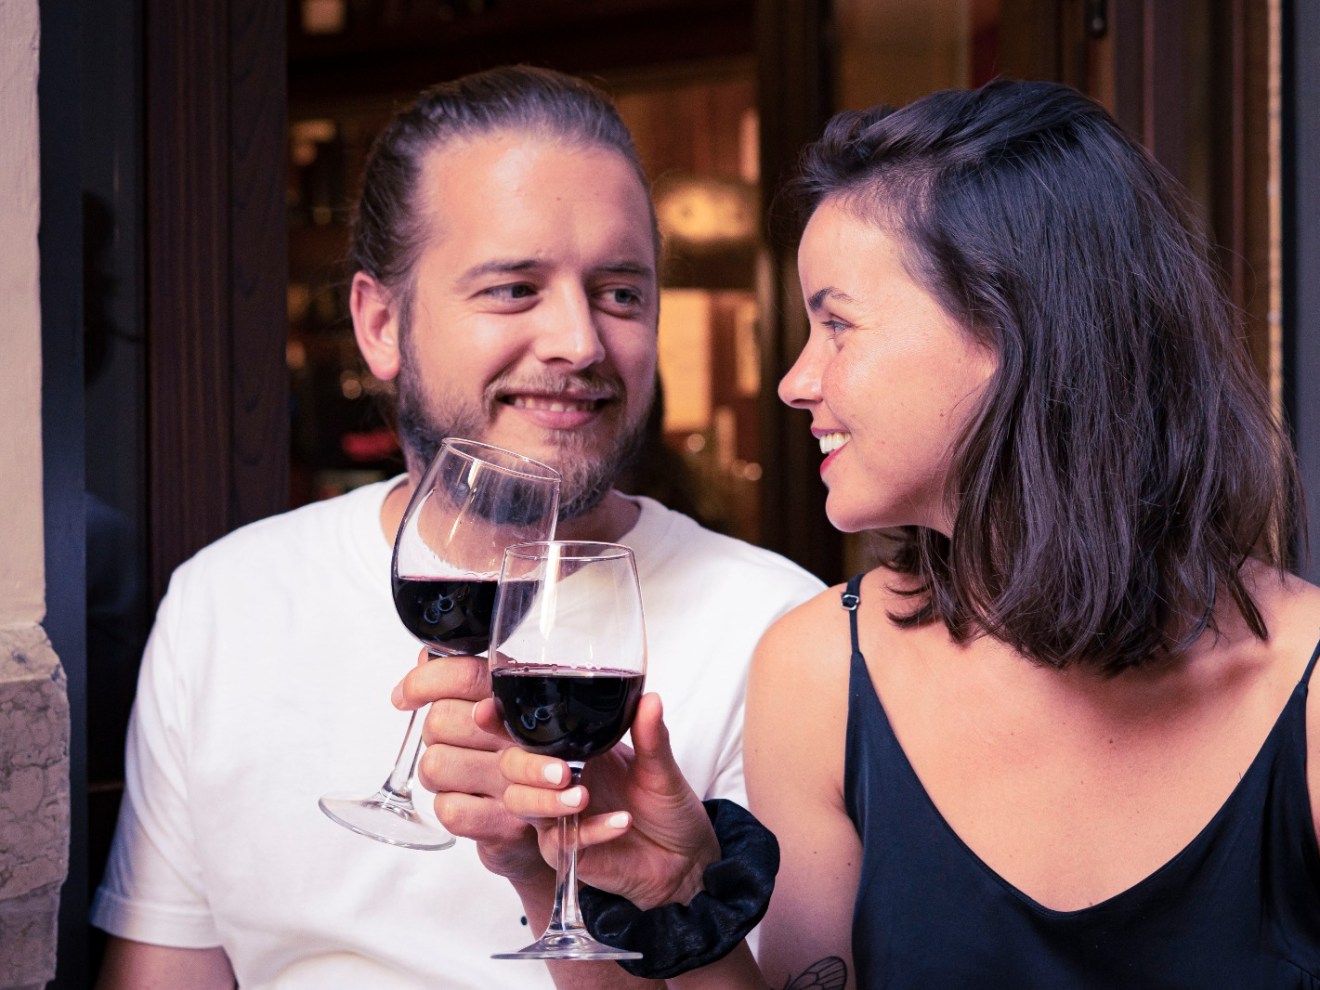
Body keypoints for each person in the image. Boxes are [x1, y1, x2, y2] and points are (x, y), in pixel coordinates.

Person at [493, 78, 1320, 987]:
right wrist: (668, 892)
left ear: (1018, 325)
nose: (795, 382)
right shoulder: (819, 670)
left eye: (836, 324)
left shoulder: (1306, 685)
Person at [89, 65, 823, 990]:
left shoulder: (778, 632)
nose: (581, 342)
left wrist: (592, 880)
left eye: (622, 293)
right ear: (381, 324)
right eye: (515, 289)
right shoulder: (225, 602)